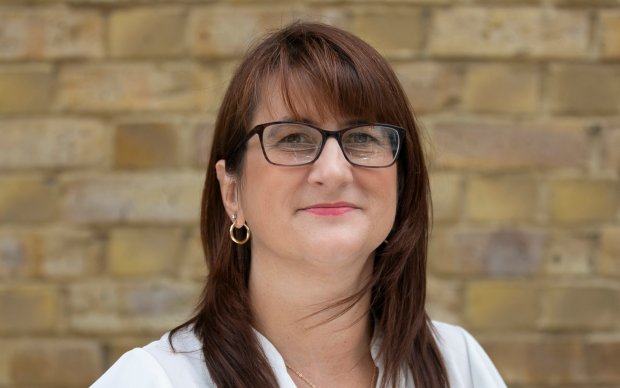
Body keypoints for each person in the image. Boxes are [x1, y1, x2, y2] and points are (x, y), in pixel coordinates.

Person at [91, 22, 506, 388]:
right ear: (232, 192)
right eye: (292, 138)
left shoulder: (458, 366)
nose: (334, 171)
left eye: (362, 137)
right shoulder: (154, 380)